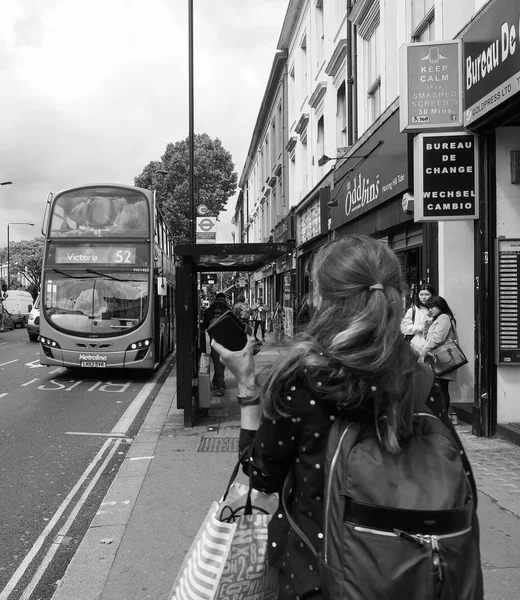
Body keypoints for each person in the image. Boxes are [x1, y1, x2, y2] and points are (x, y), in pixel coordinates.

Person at [211, 235, 440, 600]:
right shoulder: (420, 375)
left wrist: (248, 384)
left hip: (319, 577)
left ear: (321, 299)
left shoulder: (303, 381)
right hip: (415, 575)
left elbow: (262, 477)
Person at [419, 295, 459, 424]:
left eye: (432, 307)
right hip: (439, 359)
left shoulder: (444, 318)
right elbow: (429, 337)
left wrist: (423, 351)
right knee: (440, 387)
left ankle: (442, 418)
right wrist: (427, 323)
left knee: (441, 388)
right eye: (428, 308)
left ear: (440, 306)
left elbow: (437, 338)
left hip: (442, 358)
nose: (430, 310)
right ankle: (441, 416)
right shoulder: (439, 318)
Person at [202, 292, 231, 391]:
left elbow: (204, 326)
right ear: (224, 298)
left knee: (217, 360)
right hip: (225, 339)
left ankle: (217, 381)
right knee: (221, 361)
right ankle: (220, 383)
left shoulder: (209, 310)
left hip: (213, 340)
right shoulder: (227, 309)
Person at [401, 283, 436, 353]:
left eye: (427, 294)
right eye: (421, 294)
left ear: (432, 295)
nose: (423, 297)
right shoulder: (413, 310)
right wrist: (422, 328)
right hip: (415, 348)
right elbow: (404, 328)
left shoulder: (436, 310)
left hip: (433, 348)